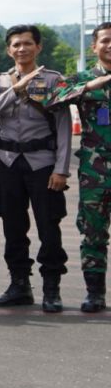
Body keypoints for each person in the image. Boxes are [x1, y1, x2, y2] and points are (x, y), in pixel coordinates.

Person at [0, 25, 71, 312]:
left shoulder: (54, 81)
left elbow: (64, 126)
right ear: (9, 49)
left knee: (49, 226)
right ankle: (19, 284)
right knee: (13, 228)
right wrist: (15, 91)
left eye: (28, 44)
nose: (22, 49)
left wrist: (62, 169)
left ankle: (51, 289)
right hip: (9, 163)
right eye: (16, 44)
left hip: (43, 164)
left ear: (38, 47)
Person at [47, 21, 111, 313]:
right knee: (93, 231)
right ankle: (94, 293)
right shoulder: (82, 78)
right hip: (95, 173)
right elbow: (51, 99)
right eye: (105, 41)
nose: (109, 46)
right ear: (95, 45)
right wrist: (89, 86)